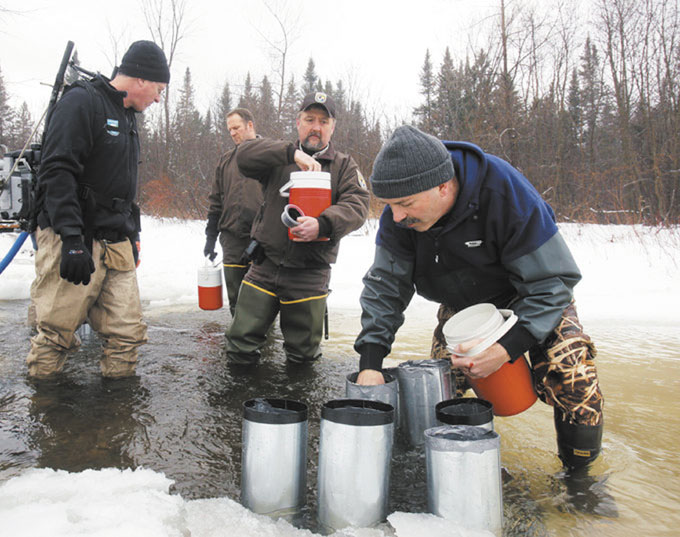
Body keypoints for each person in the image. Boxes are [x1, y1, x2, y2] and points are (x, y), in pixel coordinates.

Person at [354, 125, 604, 470]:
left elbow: (553, 281)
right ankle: (454, 469)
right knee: (435, 388)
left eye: (405, 204)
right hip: (466, 309)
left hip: (530, 297)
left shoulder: (504, 192)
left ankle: (580, 479)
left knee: (572, 368)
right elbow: (385, 286)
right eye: (389, 206)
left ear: (443, 186)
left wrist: (505, 349)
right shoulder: (400, 218)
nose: (396, 216)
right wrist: (370, 361)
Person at [26, 40, 170, 379]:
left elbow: (121, 187)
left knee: (127, 336)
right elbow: (57, 171)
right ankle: (48, 418)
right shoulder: (81, 102)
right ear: (141, 80)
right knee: (56, 335)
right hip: (76, 238)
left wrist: (132, 236)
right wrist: (72, 239)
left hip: (116, 241)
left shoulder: (128, 116)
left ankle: (114, 419)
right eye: (159, 89)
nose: (159, 98)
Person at [225, 91, 370, 365]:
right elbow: (243, 156)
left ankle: (301, 406)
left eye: (323, 121)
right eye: (309, 119)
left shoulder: (343, 166)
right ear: (298, 122)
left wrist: (323, 223)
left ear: (333, 126)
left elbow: (358, 204)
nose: (316, 127)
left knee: (303, 357)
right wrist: (291, 154)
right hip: (263, 267)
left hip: (310, 274)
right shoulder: (277, 156)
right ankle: (237, 405)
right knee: (239, 347)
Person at [203, 108, 263, 315]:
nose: (233, 133)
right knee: (236, 301)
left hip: (263, 241)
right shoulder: (226, 161)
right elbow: (216, 201)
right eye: (230, 130)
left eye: (236, 128)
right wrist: (211, 237)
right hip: (232, 240)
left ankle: (265, 342)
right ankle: (239, 344)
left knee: (260, 300)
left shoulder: (271, 157)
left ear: (250, 126)